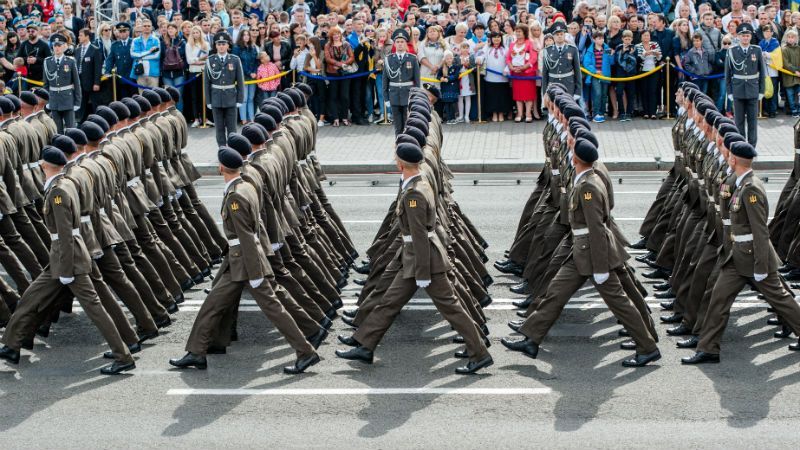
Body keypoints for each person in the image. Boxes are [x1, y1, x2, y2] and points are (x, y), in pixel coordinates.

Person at [335, 141, 494, 375]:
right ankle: (365, 345)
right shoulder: (417, 183)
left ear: (401, 164)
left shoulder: (414, 194)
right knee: (389, 301)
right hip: (413, 258)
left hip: (425, 261)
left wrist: (422, 273)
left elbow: (419, 236)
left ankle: (480, 354)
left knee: (452, 308)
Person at [169, 147, 321, 374]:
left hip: (247, 263)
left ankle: (306, 352)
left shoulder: (236, 197)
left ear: (221, 167)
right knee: (213, 304)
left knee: (274, 308)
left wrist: (257, 272)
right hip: (240, 260)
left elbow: (247, 237)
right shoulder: (245, 186)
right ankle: (196, 351)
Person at [0, 146, 136, 375]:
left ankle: (123, 356)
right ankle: (11, 345)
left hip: (69, 258)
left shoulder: (58, 192)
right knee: (31, 298)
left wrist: (65, 269)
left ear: (45, 165)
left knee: (94, 308)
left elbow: (64, 233)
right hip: (62, 256)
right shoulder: (65, 183)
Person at [682, 141, 800, 364]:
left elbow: (760, 231)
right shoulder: (738, 182)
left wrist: (761, 266)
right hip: (736, 258)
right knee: (718, 299)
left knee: (782, 300)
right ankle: (708, 348)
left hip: (754, 258)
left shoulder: (751, 189)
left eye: (730, 157)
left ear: (734, 159)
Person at [725, 22, 766, 147]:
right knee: (739, 121)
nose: (745, 38)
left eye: (747, 35)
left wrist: (761, 91)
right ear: (738, 36)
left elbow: (762, 72)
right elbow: (727, 74)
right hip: (738, 90)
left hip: (753, 90)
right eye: (743, 35)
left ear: (750, 36)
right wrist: (729, 92)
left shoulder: (757, 50)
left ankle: (752, 146)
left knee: (753, 121)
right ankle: (741, 145)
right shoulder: (732, 51)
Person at [204, 32, 245, 146]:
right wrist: (208, 101)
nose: (221, 46)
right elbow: (206, 83)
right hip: (216, 98)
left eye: (224, 44)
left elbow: (240, 81)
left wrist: (240, 99)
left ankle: (233, 150)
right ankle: (222, 150)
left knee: (232, 128)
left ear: (228, 46)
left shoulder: (235, 60)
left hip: (231, 98)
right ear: (215, 46)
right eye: (219, 44)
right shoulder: (210, 60)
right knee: (219, 128)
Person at [382, 28, 420, 135]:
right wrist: (386, 98)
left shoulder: (412, 59)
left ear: (406, 43)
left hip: (408, 95)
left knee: (408, 124)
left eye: (402, 42)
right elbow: (385, 81)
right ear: (394, 44)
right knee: (397, 126)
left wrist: (416, 97)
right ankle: (398, 144)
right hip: (394, 95)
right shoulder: (389, 59)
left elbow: (417, 81)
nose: (400, 44)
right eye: (397, 42)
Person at [43, 34, 81, 133]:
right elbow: (46, 85)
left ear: (64, 46)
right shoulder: (47, 62)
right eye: (55, 46)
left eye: (59, 45)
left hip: (67, 99)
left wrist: (77, 102)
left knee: (71, 129)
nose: (57, 48)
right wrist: (47, 101)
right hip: (54, 99)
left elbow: (77, 84)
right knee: (57, 129)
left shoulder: (70, 61)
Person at [541, 22, 581, 102]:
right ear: (553, 36)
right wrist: (544, 92)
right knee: (554, 110)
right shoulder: (547, 51)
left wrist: (578, 91)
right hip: (553, 84)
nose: (559, 36)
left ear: (564, 35)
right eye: (557, 34)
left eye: (561, 34)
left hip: (568, 85)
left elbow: (577, 72)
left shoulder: (572, 49)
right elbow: (545, 74)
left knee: (567, 110)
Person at [324, 26, 355, 127]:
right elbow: (327, 58)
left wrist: (343, 64)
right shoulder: (328, 45)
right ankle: (335, 118)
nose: (336, 36)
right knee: (333, 96)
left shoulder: (346, 44)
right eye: (334, 34)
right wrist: (338, 64)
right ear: (331, 36)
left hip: (345, 74)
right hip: (332, 73)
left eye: (338, 34)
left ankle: (345, 117)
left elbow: (352, 57)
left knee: (345, 96)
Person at [506, 24, 538, 123]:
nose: (518, 33)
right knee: (518, 95)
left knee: (529, 94)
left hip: (527, 74)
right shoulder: (512, 44)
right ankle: (519, 113)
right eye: (517, 31)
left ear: (525, 33)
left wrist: (524, 67)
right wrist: (511, 67)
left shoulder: (530, 43)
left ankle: (528, 114)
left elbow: (533, 58)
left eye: (520, 31)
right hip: (516, 73)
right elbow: (508, 58)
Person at [582, 30, 612, 123]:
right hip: (595, 76)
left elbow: (612, 62)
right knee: (597, 94)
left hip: (606, 76)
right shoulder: (590, 50)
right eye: (599, 38)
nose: (601, 40)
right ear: (594, 39)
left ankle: (602, 113)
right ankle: (596, 114)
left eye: (602, 38)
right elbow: (586, 63)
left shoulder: (607, 49)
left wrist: (612, 55)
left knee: (604, 95)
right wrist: (595, 71)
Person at [75, 28, 103, 122]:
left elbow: (98, 68)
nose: (79, 37)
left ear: (87, 36)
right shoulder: (77, 50)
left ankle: (98, 121)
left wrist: (97, 83)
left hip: (91, 83)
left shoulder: (95, 50)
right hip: (79, 82)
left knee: (95, 104)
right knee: (81, 104)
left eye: (81, 35)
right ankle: (80, 122)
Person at [483, 31, 511, 122]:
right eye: (494, 37)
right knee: (492, 96)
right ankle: (494, 113)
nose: (496, 39)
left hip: (503, 78)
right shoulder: (487, 48)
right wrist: (478, 59)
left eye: (498, 37)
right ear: (491, 39)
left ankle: (501, 113)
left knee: (502, 96)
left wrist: (507, 69)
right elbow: (481, 56)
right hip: (490, 78)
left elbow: (510, 60)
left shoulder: (505, 48)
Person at [105, 22, 137, 100]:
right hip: (121, 78)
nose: (122, 33)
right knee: (125, 100)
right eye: (120, 31)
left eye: (124, 31)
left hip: (134, 77)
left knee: (136, 99)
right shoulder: (115, 45)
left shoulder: (134, 42)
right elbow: (110, 60)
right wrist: (107, 72)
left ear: (128, 32)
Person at [185, 25, 210, 127]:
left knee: (203, 96)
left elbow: (206, 58)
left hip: (203, 72)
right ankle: (196, 118)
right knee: (194, 96)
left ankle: (205, 118)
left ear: (200, 33)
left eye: (197, 32)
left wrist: (196, 60)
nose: (196, 34)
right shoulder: (188, 45)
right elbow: (189, 61)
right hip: (193, 72)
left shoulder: (206, 44)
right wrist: (198, 60)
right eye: (194, 33)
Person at [233, 29, 259, 124]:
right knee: (243, 99)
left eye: (248, 35)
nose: (246, 36)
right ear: (241, 36)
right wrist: (249, 72)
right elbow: (238, 63)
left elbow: (256, 61)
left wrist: (255, 72)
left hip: (253, 76)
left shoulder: (253, 47)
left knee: (251, 98)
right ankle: (243, 119)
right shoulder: (236, 48)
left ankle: (251, 118)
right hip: (242, 76)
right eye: (244, 35)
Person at [161, 23, 187, 112]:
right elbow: (161, 57)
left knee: (178, 96)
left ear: (176, 30)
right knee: (169, 97)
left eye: (173, 28)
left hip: (179, 73)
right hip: (166, 74)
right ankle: (170, 118)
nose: (171, 30)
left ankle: (179, 117)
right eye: (169, 28)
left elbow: (185, 56)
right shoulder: (163, 42)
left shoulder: (182, 42)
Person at [131, 19, 161, 90]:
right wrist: (149, 52)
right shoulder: (135, 40)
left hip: (153, 73)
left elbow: (157, 56)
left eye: (148, 26)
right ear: (141, 28)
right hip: (140, 73)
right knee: (142, 98)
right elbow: (133, 54)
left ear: (151, 27)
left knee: (154, 97)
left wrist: (140, 56)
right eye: (144, 26)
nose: (147, 27)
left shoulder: (156, 40)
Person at [781, 29, 800, 118]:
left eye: (793, 37)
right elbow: (786, 64)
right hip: (788, 77)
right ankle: (793, 110)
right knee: (790, 96)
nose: (790, 39)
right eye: (789, 37)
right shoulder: (784, 49)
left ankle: (798, 110)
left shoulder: (798, 49)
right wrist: (795, 71)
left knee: (798, 95)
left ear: (796, 39)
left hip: (798, 77)